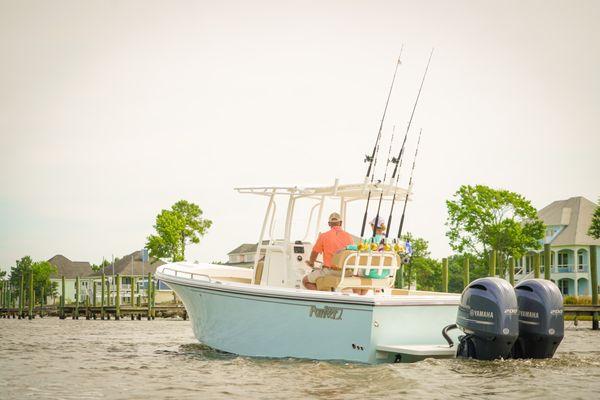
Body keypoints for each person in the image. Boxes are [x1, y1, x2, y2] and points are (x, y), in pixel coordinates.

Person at [303, 212, 354, 290]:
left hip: (330, 271)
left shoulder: (324, 236)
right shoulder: (349, 237)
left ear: (329, 224)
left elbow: (315, 252)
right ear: (340, 223)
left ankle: (322, 296)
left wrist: (311, 263)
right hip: (346, 272)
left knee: (305, 281)